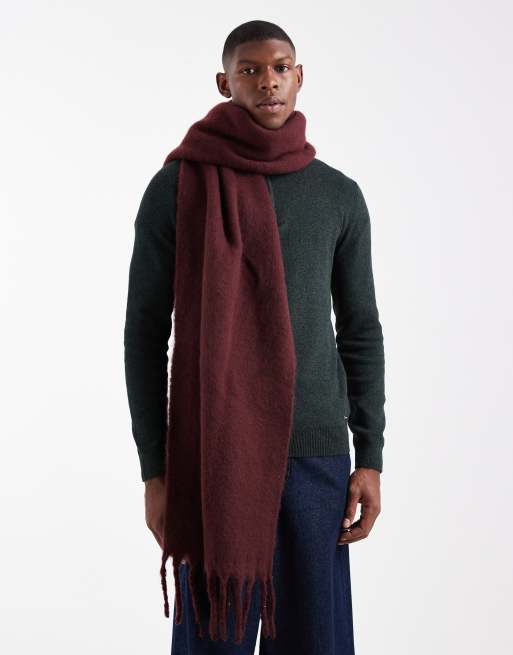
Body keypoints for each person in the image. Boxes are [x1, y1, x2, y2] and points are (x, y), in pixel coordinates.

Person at [124, 19, 386, 655]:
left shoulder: (338, 196)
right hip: (213, 458)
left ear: (300, 76)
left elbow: (360, 331)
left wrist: (370, 456)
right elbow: (144, 334)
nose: (267, 81)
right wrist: (155, 470)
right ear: (224, 83)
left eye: (279, 67)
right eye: (249, 70)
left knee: (316, 641)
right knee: (213, 639)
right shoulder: (177, 188)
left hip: (315, 455)